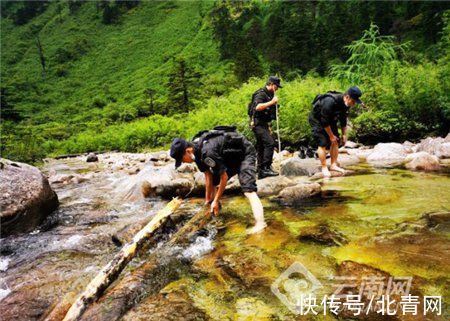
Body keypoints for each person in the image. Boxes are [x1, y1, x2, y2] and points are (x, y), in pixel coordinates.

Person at [170, 126, 267, 234]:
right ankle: (215, 212)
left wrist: (215, 200)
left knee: (249, 190)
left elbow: (224, 177)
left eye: (182, 159)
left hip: (245, 154)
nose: (184, 162)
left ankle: (260, 223)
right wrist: (207, 201)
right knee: (214, 182)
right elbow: (208, 175)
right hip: (229, 157)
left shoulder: (207, 152)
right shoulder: (196, 152)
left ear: (188, 151)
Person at [308, 86, 363, 177]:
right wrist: (331, 136)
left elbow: (343, 119)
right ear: (347, 97)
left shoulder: (346, 104)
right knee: (323, 142)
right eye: (353, 101)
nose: (353, 104)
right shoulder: (330, 101)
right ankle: (324, 167)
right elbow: (324, 121)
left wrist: (344, 134)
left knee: (336, 141)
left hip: (330, 119)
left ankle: (333, 165)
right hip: (317, 119)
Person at [249, 76, 282, 179]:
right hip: (257, 124)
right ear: (271, 84)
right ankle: (266, 168)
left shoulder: (270, 94)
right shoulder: (261, 94)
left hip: (263, 123)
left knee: (261, 146)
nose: (277, 89)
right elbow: (258, 107)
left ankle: (261, 169)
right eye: (276, 86)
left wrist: (269, 126)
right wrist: (272, 102)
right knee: (270, 143)